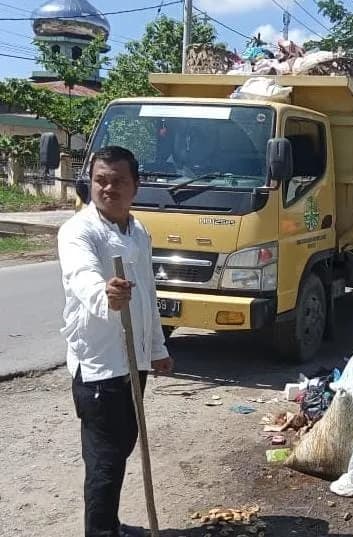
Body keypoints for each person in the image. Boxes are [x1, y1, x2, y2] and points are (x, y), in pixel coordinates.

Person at [58, 145, 173, 537]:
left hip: (133, 360)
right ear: (90, 184)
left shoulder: (138, 231)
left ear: (135, 186)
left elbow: (147, 298)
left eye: (118, 181)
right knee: (105, 458)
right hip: (99, 364)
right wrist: (104, 294)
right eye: (100, 181)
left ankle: (109, 522)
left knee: (123, 445)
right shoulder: (78, 231)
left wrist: (157, 349)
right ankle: (101, 532)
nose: (108, 188)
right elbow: (82, 277)